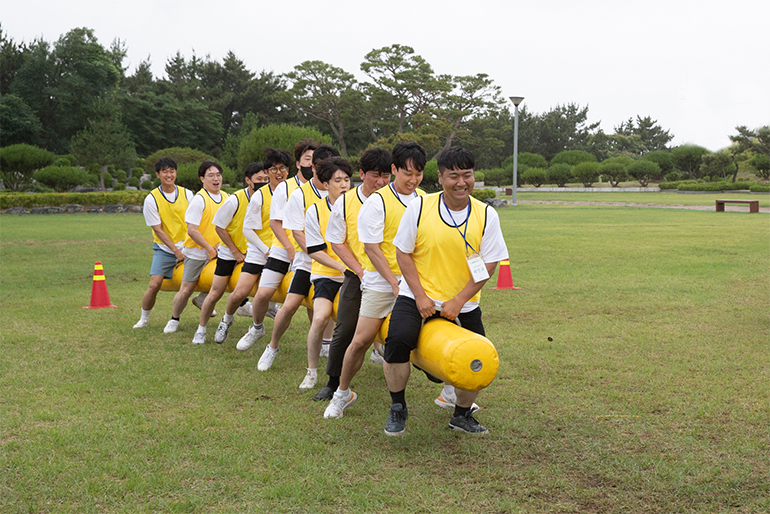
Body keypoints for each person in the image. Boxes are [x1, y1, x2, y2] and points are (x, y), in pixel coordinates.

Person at [382, 146, 509, 436]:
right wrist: (421, 296)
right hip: (417, 296)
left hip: (462, 304)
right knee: (398, 341)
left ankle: (461, 415)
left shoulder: (486, 214)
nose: (461, 182)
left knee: (477, 357)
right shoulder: (420, 207)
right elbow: (403, 254)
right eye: (454, 176)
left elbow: (489, 264)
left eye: (467, 175)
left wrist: (458, 301)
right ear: (439, 178)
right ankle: (398, 406)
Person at [323, 142, 427, 418]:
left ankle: (453, 395)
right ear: (395, 170)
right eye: (407, 173)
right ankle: (341, 392)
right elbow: (372, 248)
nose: (413, 180)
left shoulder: (424, 200)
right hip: (380, 282)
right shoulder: (377, 201)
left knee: (428, 333)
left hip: (414, 281)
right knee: (360, 340)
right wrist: (393, 282)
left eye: (418, 174)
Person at [312, 147, 392, 402]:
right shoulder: (346, 202)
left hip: (396, 277)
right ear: (362, 174)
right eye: (375, 175)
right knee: (345, 329)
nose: (381, 182)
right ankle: (333, 382)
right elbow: (337, 242)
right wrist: (359, 271)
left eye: (386, 175)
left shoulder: (401, 199)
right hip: (358, 276)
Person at [258, 144, 340, 382]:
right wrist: (317, 255)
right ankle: (272, 346)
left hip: (335, 264)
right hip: (307, 262)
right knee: (291, 305)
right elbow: (296, 232)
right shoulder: (299, 194)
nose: (329, 177)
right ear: (312, 167)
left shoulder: (341, 192)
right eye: (322, 169)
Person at [235, 140, 316, 354]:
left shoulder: (322, 187)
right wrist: (290, 249)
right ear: (299, 164)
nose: (312, 163)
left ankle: (320, 343)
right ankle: (257, 328)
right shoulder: (284, 188)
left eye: (315, 160)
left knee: (314, 299)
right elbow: (275, 224)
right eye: (308, 159)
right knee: (262, 295)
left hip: (310, 251)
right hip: (283, 248)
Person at [213, 150, 287, 345]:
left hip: (283, 250)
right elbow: (248, 229)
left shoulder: (294, 192)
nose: (278, 173)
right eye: (273, 169)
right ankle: (226, 319)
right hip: (259, 250)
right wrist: (266, 250)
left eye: (282, 169)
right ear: (267, 172)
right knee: (240, 292)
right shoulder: (260, 195)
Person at [189, 162, 268, 344]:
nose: (263, 182)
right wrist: (235, 251)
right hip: (229, 253)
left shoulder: (268, 198)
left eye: (265, 178)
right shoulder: (235, 200)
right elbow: (219, 227)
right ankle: (201, 329)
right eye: (259, 179)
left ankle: (255, 315)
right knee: (215, 292)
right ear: (248, 180)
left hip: (254, 252)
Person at [302, 157, 353, 389]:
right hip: (326, 274)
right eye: (337, 180)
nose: (344, 185)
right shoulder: (315, 210)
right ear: (325, 184)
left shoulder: (360, 206)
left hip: (356, 274)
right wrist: (341, 267)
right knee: (321, 317)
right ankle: (311, 371)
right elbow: (314, 251)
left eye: (347, 179)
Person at [163, 161, 229, 334]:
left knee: (221, 281)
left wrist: (217, 246)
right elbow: (192, 230)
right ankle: (174, 318)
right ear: (202, 179)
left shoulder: (227, 198)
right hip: (197, 251)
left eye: (218, 175)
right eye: (211, 175)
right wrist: (208, 248)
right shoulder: (199, 200)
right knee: (186, 290)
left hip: (218, 251)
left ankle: (202, 299)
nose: (216, 179)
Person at [133, 158, 193, 329]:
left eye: (172, 171)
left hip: (189, 246)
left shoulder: (188, 194)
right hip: (165, 248)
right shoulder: (152, 198)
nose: (169, 175)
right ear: (158, 174)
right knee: (154, 285)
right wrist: (175, 250)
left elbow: (195, 221)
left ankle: (202, 301)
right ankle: (144, 318)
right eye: (165, 171)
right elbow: (158, 229)